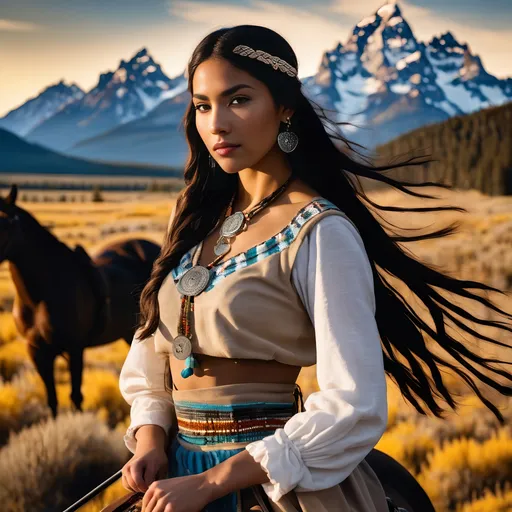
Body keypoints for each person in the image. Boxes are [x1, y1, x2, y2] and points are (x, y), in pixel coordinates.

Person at [118, 25, 512, 512]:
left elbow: (353, 403)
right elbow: (153, 345)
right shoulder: (194, 216)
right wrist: (152, 438)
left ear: (285, 108)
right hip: (174, 475)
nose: (216, 123)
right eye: (202, 105)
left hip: (269, 478)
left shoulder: (321, 231)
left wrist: (214, 482)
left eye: (238, 100)